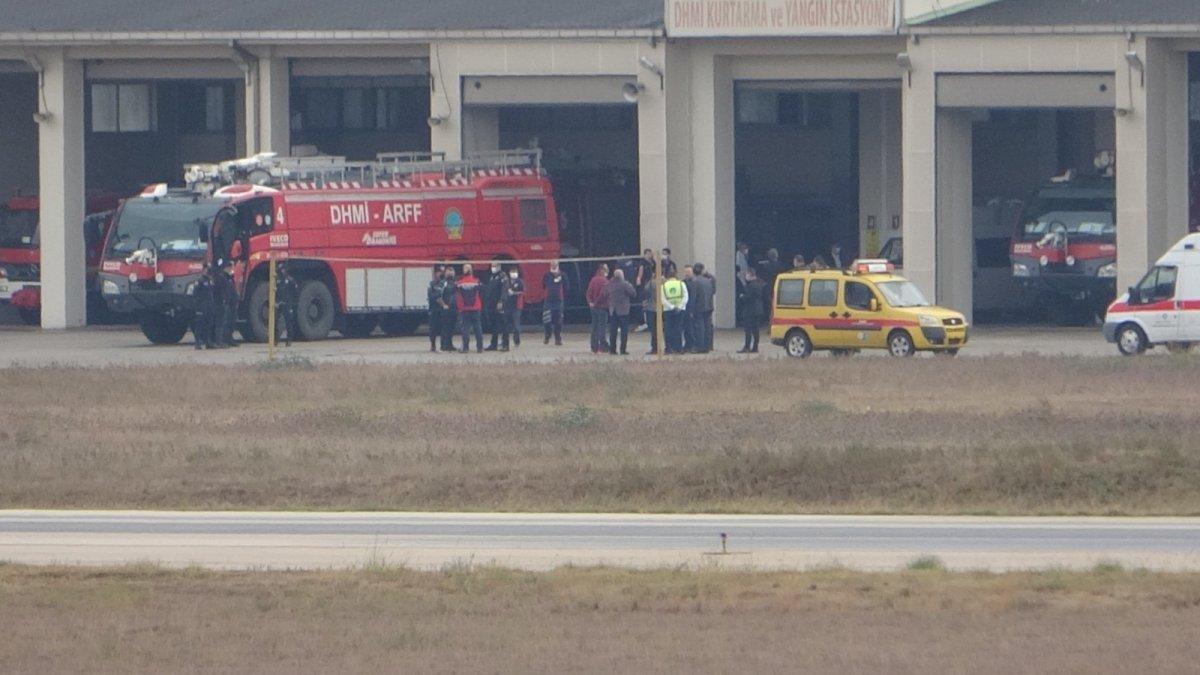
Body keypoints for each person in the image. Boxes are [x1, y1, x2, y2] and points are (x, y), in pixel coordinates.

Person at [605, 268, 637, 355]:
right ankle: (623, 349)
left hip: (613, 310)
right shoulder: (624, 284)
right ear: (621, 276)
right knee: (624, 331)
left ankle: (612, 349)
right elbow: (633, 293)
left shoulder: (609, 284)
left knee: (613, 331)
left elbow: (605, 294)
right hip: (623, 310)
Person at [456, 263, 484, 353]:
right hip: (476, 308)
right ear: (471, 271)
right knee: (478, 328)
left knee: (465, 329)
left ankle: (465, 348)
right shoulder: (477, 282)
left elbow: (457, 295)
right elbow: (483, 292)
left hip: (465, 309)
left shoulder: (460, 283)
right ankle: (479, 348)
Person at [738, 267, 767, 353]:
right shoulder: (760, 283)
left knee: (748, 329)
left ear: (750, 275)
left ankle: (747, 346)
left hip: (750, 310)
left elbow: (748, 297)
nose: (745, 276)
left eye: (747, 274)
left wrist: (742, 296)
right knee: (756, 329)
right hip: (758, 309)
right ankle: (755, 346)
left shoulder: (751, 285)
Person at [660, 268, 689, 354]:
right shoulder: (681, 284)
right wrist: (679, 306)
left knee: (668, 330)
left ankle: (669, 348)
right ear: (676, 275)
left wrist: (671, 306)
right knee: (678, 329)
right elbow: (685, 297)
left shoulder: (664, 286)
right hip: (680, 310)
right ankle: (678, 348)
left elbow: (663, 299)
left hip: (668, 310)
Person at [691, 263, 716, 353]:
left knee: (699, 327)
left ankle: (700, 346)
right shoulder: (708, 281)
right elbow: (713, 290)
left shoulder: (695, 281)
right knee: (708, 326)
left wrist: (691, 309)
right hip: (709, 305)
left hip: (699, 307)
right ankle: (708, 345)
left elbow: (693, 296)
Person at [586, 263, 610, 354]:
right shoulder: (604, 281)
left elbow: (588, 293)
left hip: (593, 308)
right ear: (602, 270)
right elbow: (602, 295)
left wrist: (590, 303)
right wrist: (596, 303)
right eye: (606, 269)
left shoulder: (593, 280)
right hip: (602, 307)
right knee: (602, 328)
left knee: (594, 327)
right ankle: (602, 346)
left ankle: (594, 346)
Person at [275, 261, 300, 347]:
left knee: (288, 323)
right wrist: (276, 302)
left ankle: (289, 340)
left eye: (282, 269)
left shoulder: (291, 281)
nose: (281, 271)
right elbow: (275, 293)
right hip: (279, 304)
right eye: (280, 269)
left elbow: (295, 293)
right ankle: (275, 339)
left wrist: (293, 304)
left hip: (288, 304)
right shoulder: (277, 281)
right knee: (275, 322)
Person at [542, 261, 566, 346]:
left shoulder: (562, 275)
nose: (553, 266)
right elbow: (543, 286)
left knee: (558, 321)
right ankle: (547, 335)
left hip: (559, 301)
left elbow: (567, 286)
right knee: (547, 320)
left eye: (555, 264)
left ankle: (558, 338)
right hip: (548, 301)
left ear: (558, 265)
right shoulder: (546, 275)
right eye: (552, 264)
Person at [191, 266, 215, 350]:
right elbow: (195, 294)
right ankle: (197, 342)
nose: (207, 272)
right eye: (206, 270)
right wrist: (198, 306)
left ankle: (208, 341)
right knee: (199, 325)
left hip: (209, 305)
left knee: (209, 324)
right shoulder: (199, 281)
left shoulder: (210, 280)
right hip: (201, 306)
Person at [484, 262, 506, 351]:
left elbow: (504, 289)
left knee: (503, 324)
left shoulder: (502, 276)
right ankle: (494, 344)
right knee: (494, 325)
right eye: (492, 266)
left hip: (499, 303)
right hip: (491, 304)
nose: (493, 267)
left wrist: (501, 301)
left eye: (495, 266)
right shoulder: (491, 277)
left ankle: (505, 344)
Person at [501, 268, 525, 351]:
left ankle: (516, 341)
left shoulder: (520, 282)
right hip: (507, 306)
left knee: (516, 326)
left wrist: (514, 293)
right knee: (505, 326)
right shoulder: (506, 282)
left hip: (516, 307)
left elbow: (523, 292)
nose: (513, 274)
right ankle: (505, 345)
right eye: (512, 272)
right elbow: (503, 292)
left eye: (515, 272)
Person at [633, 249, 656, 332]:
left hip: (651, 284)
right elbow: (640, 271)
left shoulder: (653, 262)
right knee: (644, 302)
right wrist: (638, 279)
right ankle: (644, 321)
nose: (650, 255)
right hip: (644, 284)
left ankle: (649, 321)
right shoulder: (642, 263)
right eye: (648, 254)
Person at [426, 265, 446, 352]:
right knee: (433, 329)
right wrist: (438, 297)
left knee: (443, 328)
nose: (440, 274)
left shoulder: (444, 283)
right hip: (434, 309)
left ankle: (443, 345)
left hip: (442, 310)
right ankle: (433, 345)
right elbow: (432, 296)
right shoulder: (431, 284)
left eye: (442, 272)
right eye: (439, 272)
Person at [439, 267, 458, 351]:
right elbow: (438, 296)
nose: (450, 273)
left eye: (452, 271)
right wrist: (443, 305)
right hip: (445, 309)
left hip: (454, 308)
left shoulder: (456, 283)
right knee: (445, 328)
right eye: (448, 272)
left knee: (451, 328)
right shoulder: (443, 283)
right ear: (445, 273)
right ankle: (443, 345)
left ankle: (450, 345)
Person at [682, 266, 698, 353]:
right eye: (685, 272)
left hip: (692, 309)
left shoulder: (695, 283)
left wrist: (692, 310)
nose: (687, 274)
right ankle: (687, 344)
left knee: (692, 328)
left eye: (688, 272)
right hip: (684, 308)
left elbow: (693, 298)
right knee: (686, 329)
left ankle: (693, 345)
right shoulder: (683, 282)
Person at [643, 276, 660, 355]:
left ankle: (655, 348)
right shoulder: (664, 282)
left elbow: (646, 293)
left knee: (653, 330)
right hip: (661, 308)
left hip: (651, 308)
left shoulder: (650, 284)